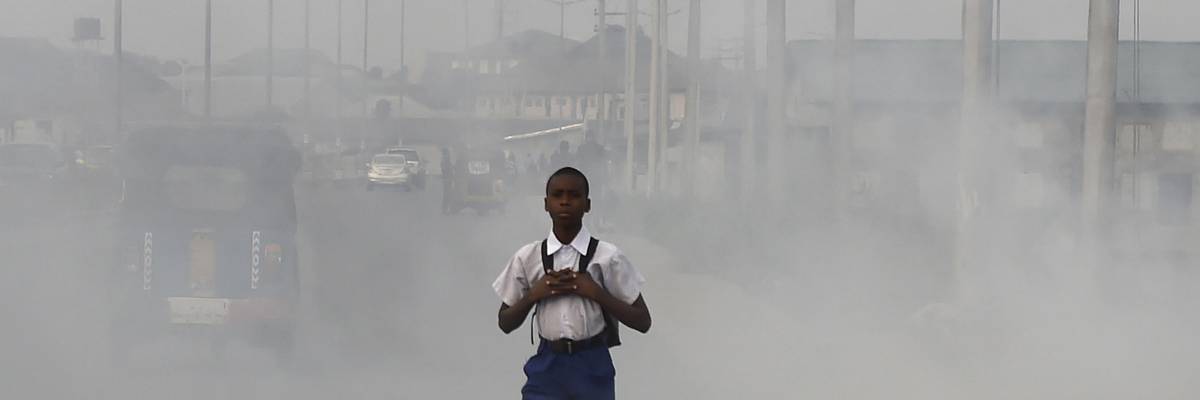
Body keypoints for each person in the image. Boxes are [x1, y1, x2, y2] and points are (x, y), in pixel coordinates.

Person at [494, 167, 652, 400]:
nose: (565, 202)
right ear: (546, 204)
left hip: (592, 363)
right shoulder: (527, 257)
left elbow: (643, 321)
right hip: (547, 365)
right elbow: (505, 322)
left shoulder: (608, 257)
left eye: (574, 195)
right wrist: (534, 295)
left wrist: (596, 293)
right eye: (557, 195)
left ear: (587, 205)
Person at [440, 147, 456, 214]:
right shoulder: (445, 160)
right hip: (447, 179)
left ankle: (446, 209)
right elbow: (445, 169)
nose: (448, 155)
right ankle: (445, 209)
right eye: (447, 153)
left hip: (447, 179)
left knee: (447, 194)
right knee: (447, 194)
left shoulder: (445, 160)